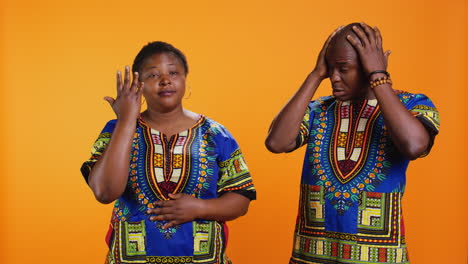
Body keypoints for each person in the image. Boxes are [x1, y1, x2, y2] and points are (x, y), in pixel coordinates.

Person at [265, 23, 439, 264]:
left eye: (343, 68)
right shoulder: (320, 110)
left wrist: (379, 77)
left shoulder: (412, 105)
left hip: (377, 257)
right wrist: (315, 75)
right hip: (312, 256)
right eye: (330, 69)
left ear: (369, 66)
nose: (334, 77)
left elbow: (414, 145)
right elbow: (276, 142)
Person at [81, 41, 256, 264]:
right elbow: (105, 192)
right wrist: (126, 120)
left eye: (174, 72)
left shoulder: (215, 134)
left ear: (185, 79)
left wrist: (199, 207)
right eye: (153, 75)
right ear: (138, 84)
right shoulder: (117, 129)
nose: (165, 80)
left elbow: (241, 199)